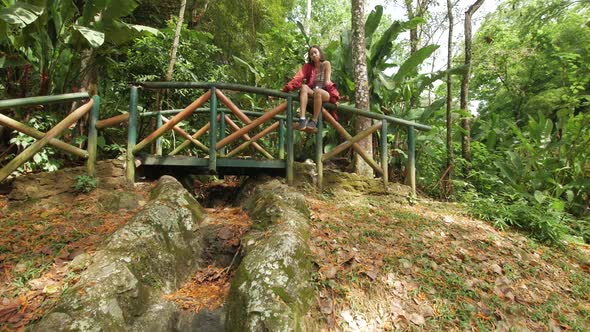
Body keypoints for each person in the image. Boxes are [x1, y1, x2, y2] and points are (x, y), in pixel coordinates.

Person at [281, 45, 340, 132]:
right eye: (311, 54)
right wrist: (287, 88)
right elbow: (298, 77)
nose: (314, 55)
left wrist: (336, 97)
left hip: (325, 93)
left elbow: (328, 81)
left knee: (318, 91)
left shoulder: (326, 64)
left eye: (315, 52)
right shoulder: (308, 66)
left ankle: (314, 120)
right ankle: (302, 119)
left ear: (320, 53)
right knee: (304, 87)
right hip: (314, 91)